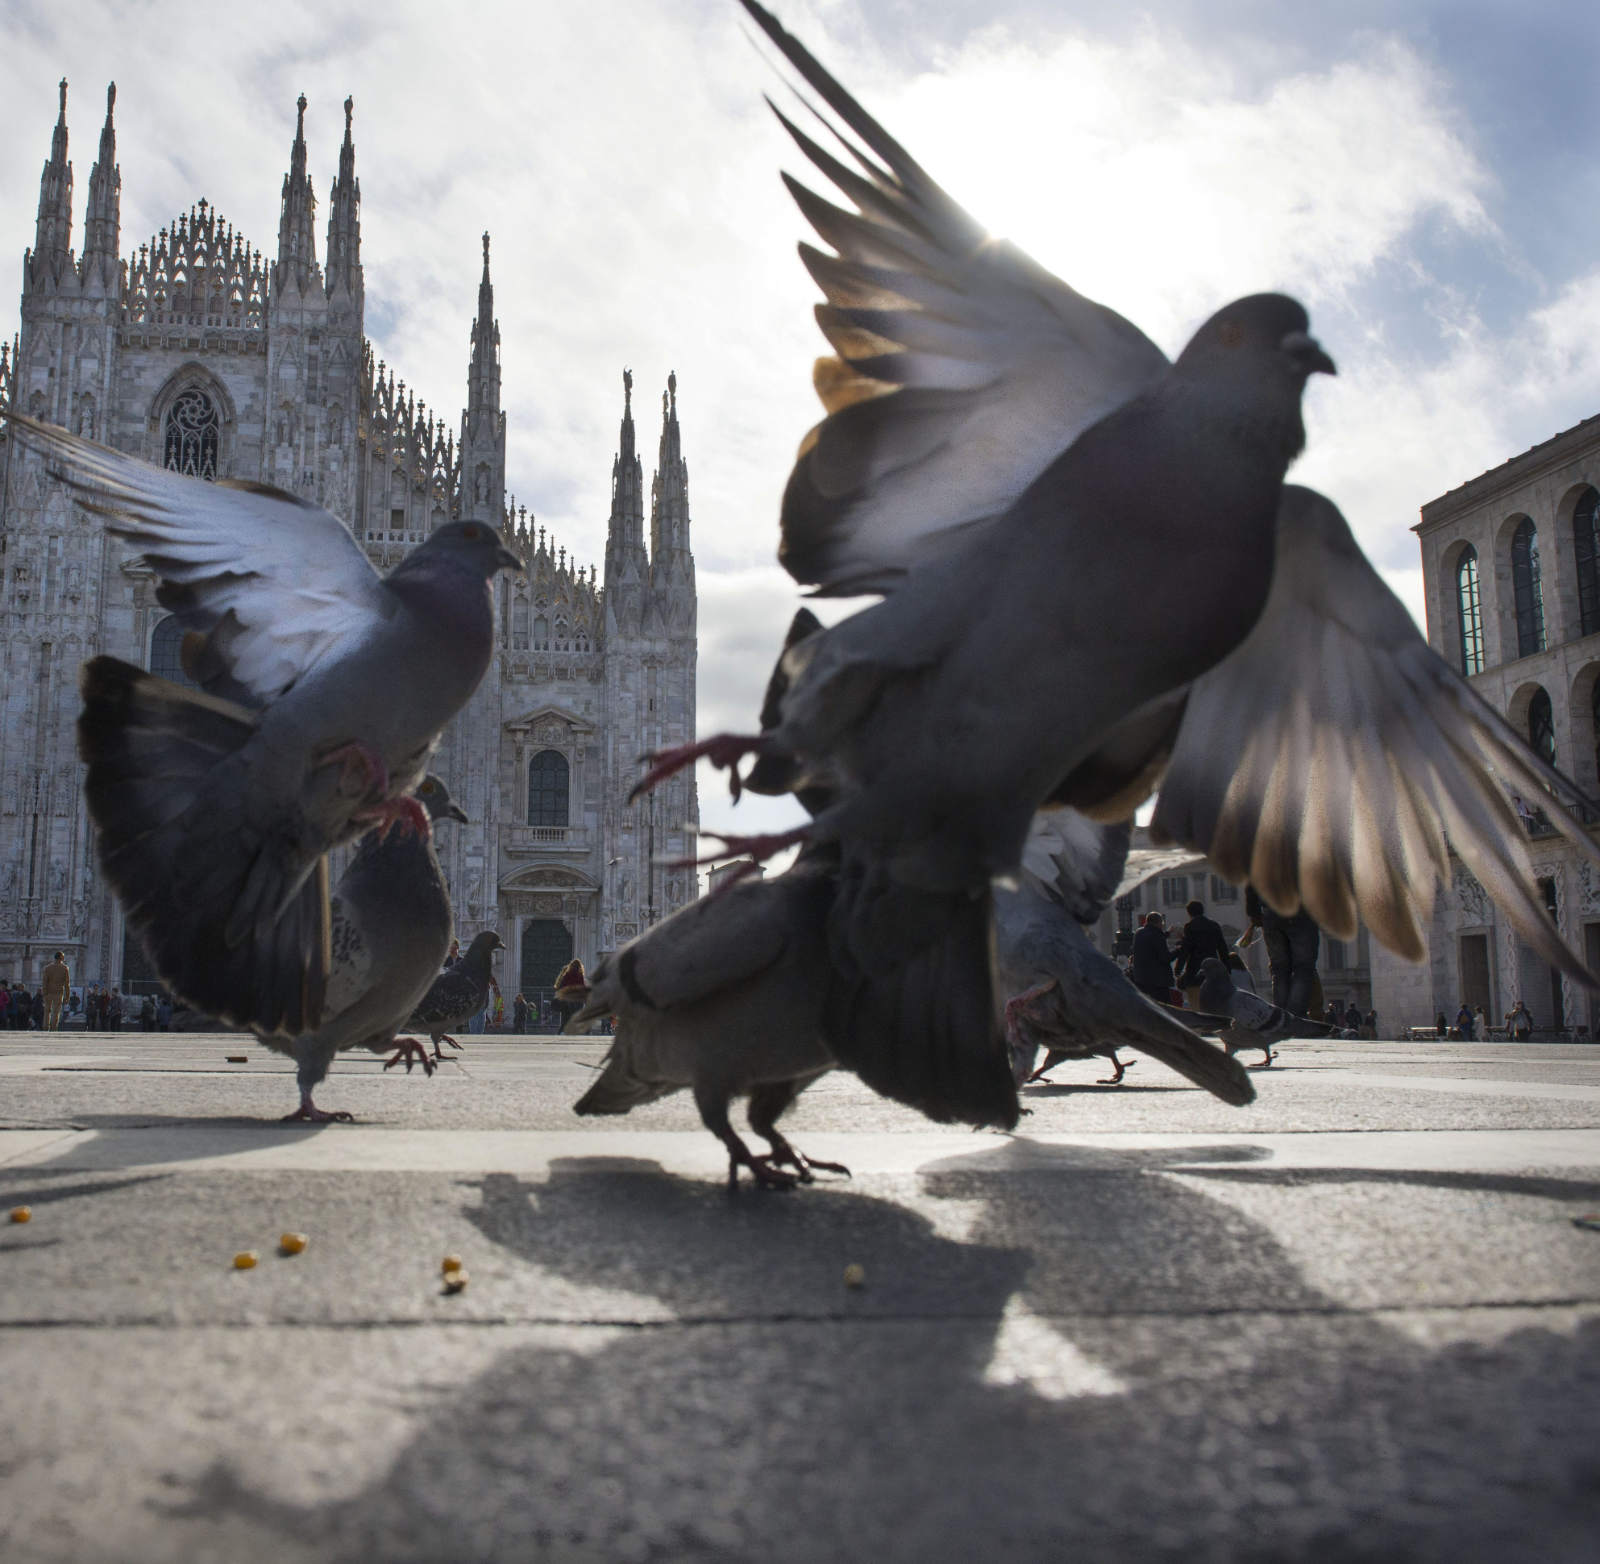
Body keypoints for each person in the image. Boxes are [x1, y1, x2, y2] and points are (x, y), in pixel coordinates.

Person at [1245, 886, 1320, 1021]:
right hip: (1301, 909)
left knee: (1279, 969)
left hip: (1271, 912)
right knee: (1303, 968)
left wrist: (1254, 913)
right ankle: (1295, 1017)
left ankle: (1282, 1017)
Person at [1172, 901, 1231, 1009]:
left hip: (1194, 971)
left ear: (1189, 913)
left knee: (1196, 1006)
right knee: (1213, 1005)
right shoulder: (1214, 925)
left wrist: (1178, 970)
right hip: (1213, 971)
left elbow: (1185, 950)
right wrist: (1227, 970)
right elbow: (1223, 949)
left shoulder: (1190, 927)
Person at [1129, 911, 1175, 1003]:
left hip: (1141, 979)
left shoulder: (1139, 933)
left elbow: (1151, 941)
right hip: (1157, 981)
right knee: (1166, 1008)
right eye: (1162, 923)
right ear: (1158, 923)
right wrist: (1178, 950)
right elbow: (1165, 958)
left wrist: (1166, 934)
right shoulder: (1157, 935)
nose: (1162, 925)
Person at [41, 951, 71, 1031]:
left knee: (47, 1011)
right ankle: (54, 1028)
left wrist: (44, 993)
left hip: (48, 992)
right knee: (56, 1012)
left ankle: (45, 1027)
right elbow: (67, 983)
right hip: (58, 992)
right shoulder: (65, 968)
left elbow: (44, 982)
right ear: (62, 958)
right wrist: (67, 996)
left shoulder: (47, 968)